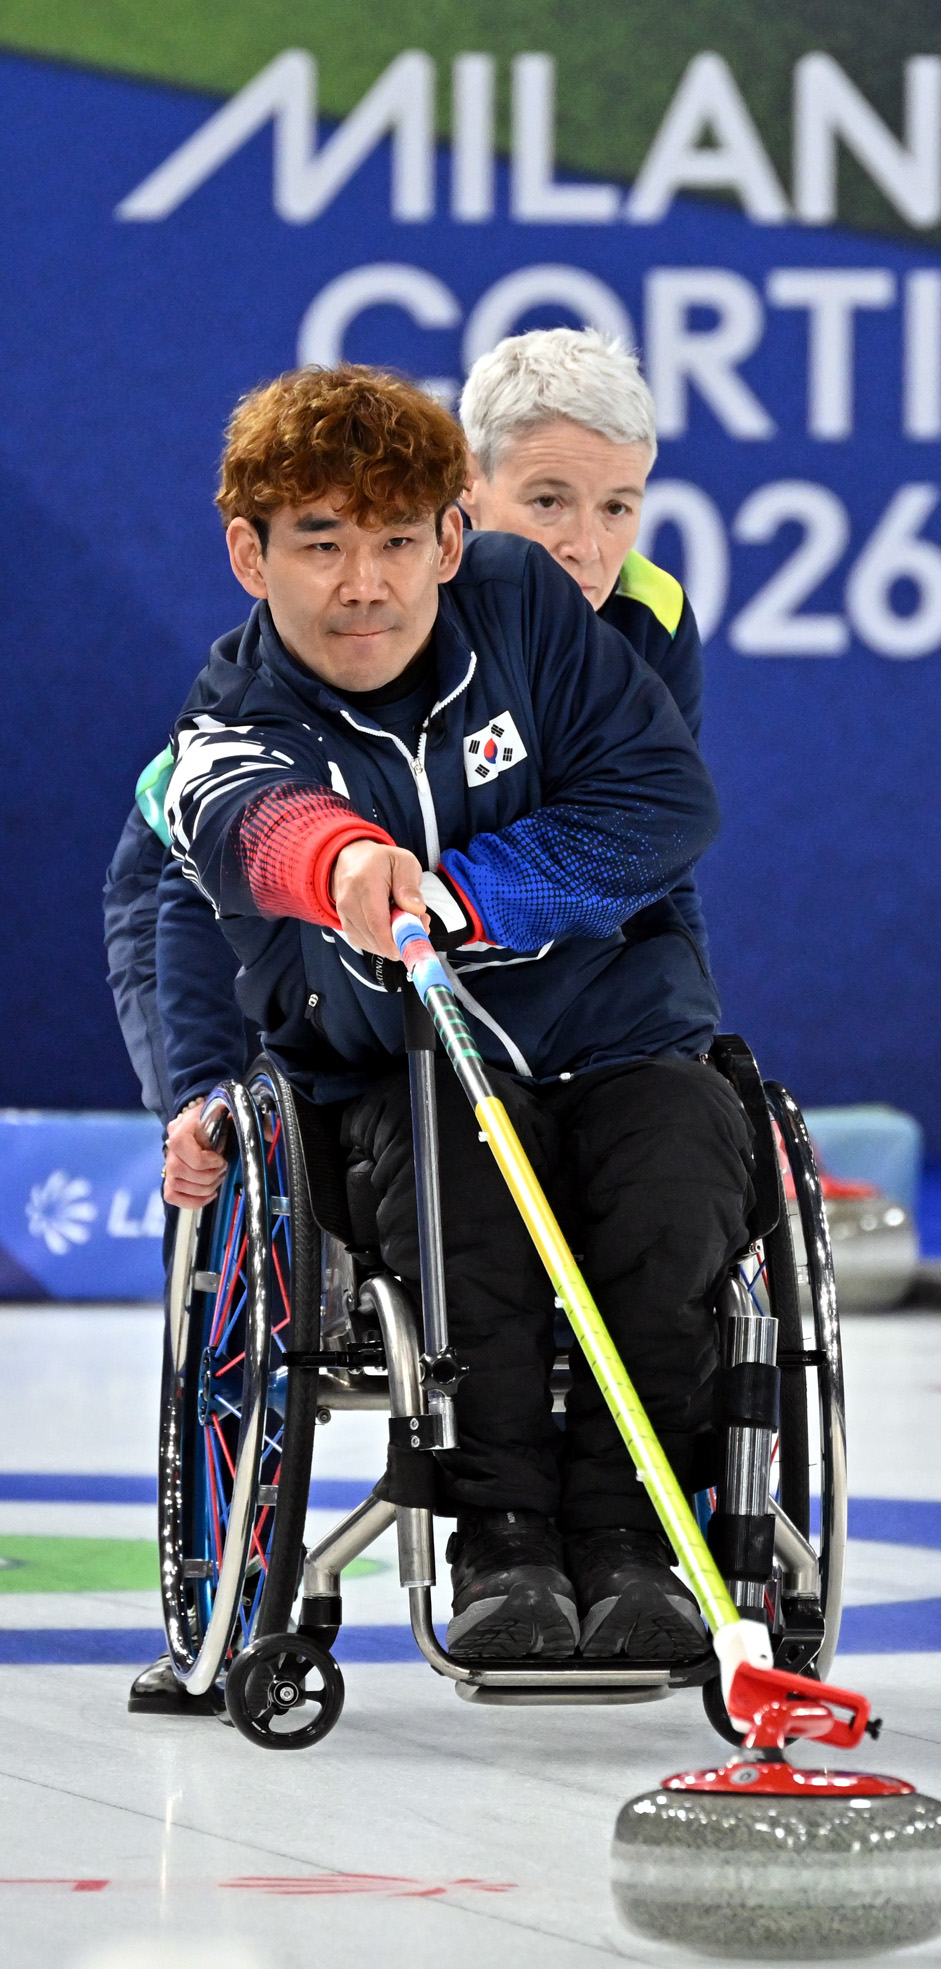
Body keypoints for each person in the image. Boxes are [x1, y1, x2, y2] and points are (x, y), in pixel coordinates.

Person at [159, 362, 753, 1665]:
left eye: (392, 543)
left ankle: (632, 1541)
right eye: (323, 544)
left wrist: (467, 894)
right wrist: (334, 875)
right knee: (461, 1176)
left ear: (447, 539)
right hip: (396, 1063)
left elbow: (662, 805)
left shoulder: (532, 607)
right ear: (253, 557)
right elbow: (228, 825)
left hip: (607, 1028)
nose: (362, 583)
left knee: (679, 1165)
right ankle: (503, 1542)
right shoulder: (231, 710)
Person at [103, 327, 708, 1127]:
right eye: (547, 502)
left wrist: (691, 1053)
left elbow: (645, 851)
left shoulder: (644, 613)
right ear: (465, 495)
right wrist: (203, 1091)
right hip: (210, 885)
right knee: (232, 1124)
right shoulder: (339, 633)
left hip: (441, 934)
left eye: (617, 507)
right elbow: (201, 878)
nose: (584, 548)